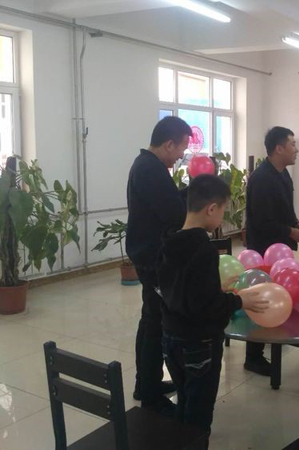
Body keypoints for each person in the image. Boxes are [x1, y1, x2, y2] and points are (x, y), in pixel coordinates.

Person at [157, 175, 267, 440]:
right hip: (199, 343)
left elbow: (178, 291)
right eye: (223, 211)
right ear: (211, 209)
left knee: (184, 399)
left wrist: (215, 286)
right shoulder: (204, 249)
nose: (222, 217)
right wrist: (240, 301)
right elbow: (206, 307)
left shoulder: (169, 242)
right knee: (199, 413)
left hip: (171, 338)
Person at [126, 116, 191, 414]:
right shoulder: (150, 169)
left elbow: (168, 202)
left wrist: (190, 191)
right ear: (168, 143)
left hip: (147, 253)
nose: (181, 156)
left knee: (150, 318)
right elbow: (174, 214)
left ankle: (146, 382)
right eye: (181, 149)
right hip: (152, 257)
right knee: (155, 324)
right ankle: (150, 394)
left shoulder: (147, 165)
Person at [244, 126, 299, 375]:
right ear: (279, 148)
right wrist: (291, 232)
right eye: (293, 144)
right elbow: (263, 222)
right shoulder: (262, 179)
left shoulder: (283, 174)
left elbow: (285, 210)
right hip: (264, 249)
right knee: (262, 297)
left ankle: (271, 332)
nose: (296, 149)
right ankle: (253, 356)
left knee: (278, 293)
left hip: (280, 249)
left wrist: (297, 224)